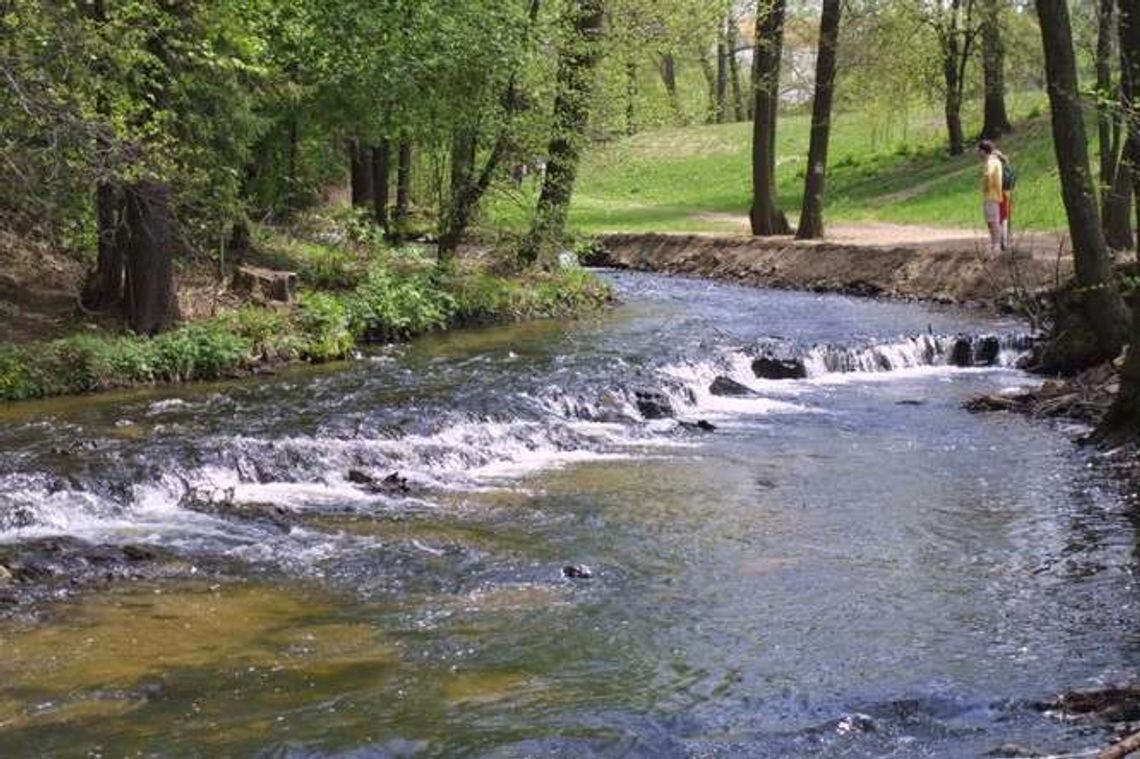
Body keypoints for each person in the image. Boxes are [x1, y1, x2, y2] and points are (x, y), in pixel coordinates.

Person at [978, 139, 1004, 254]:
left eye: (979, 151)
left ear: (983, 151)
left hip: (991, 196)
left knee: (993, 221)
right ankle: (995, 243)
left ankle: (996, 245)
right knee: (991, 221)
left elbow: (989, 174)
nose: (978, 154)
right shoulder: (994, 161)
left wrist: (986, 187)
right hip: (993, 195)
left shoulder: (991, 162)